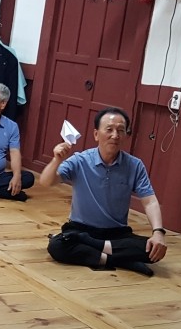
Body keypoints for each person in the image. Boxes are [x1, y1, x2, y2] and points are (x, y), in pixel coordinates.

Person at [39, 107, 167, 277]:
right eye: (109, 129)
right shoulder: (80, 160)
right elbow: (46, 181)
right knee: (57, 246)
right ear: (96, 134)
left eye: (120, 130)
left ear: (126, 135)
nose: (115, 135)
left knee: (153, 250)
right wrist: (57, 160)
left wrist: (158, 232)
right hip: (81, 228)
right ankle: (121, 260)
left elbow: (149, 201)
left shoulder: (135, 165)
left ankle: (94, 248)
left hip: (116, 233)